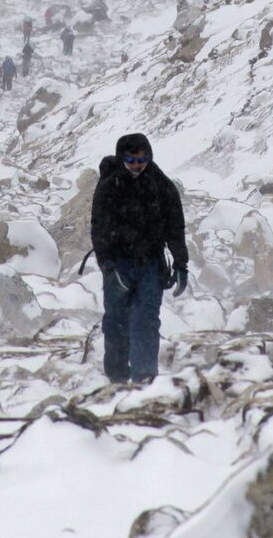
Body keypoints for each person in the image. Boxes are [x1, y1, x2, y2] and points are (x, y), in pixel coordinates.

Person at [89, 133, 189, 383]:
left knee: (146, 320)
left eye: (142, 159)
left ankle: (145, 377)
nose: (137, 164)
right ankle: (117, 377)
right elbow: (99, 228)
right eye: (131, 159)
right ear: (121, 157)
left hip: (150, 264)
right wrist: (108, 266)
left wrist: (180, 263)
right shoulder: (109, 186)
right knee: (116, 321)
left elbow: (175, 226)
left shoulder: (161, 185)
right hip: (118, 265)